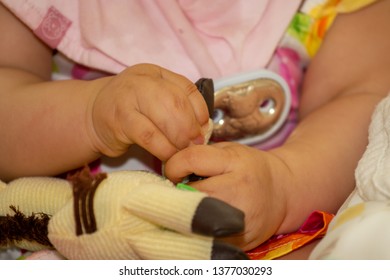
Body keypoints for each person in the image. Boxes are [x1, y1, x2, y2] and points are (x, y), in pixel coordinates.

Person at [0, 0, 389, 258]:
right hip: (83, 238)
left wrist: (286, 182)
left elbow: (362, 102)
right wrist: (90, 115)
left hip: (279, 240)